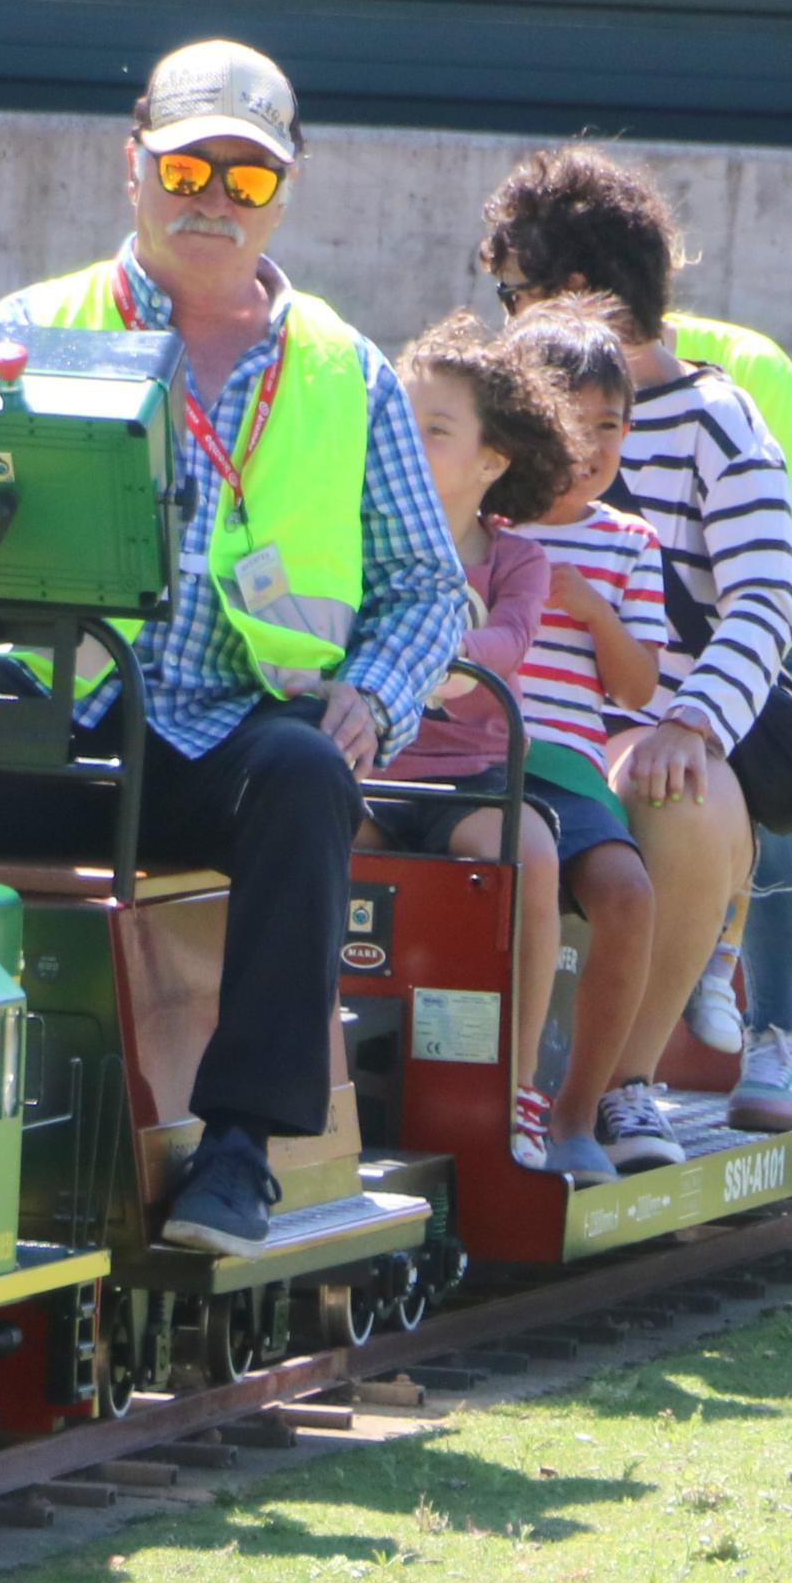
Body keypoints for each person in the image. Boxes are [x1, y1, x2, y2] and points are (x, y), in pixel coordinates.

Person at [0, 41, 468, 1261]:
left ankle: (235, 1156)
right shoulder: (30, 329)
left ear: (285, 190)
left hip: (225, 745)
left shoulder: (346, 371)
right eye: (185, 167)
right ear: (133, 166)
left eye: (247, 178)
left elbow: (430, 587)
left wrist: (373, 695)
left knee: (309, 779)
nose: (212, 199)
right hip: (50, 726)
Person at [476, 150, 792, 1157]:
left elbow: (761, 599)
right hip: (512, 708)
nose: (502, 312)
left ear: (579, 296)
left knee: (680, 794)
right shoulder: (492, 417)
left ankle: (622, 1082)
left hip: (656, 712)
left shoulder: (716, 418)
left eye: (513, 291)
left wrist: (687, 718)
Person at [360, 317, 580, 1122]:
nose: (407, 444)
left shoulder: (516, 558)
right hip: (371, 769)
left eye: (434, 431)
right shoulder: (360, 542)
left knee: (525, 851)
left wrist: (425, 654)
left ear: (491, 461)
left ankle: (516, 1078)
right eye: (398, 426)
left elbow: (505, 643)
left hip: (469, 784)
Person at [495, 304, 674, 1182]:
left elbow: (637, 687)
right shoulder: (483, 521)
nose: (597, 444)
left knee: (627, 893)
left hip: (564, 763)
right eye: (576, 421)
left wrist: (590, 608)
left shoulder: (627, 541)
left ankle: (571, 1112)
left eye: (614, 424)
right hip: (466, 756)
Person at [663, 303, 792, 1122]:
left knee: (777, 770)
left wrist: (728, 653)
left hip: (772, 644)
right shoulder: (539, 363)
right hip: (630, 642)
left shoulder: (751, 366)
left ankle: (779, 1032)